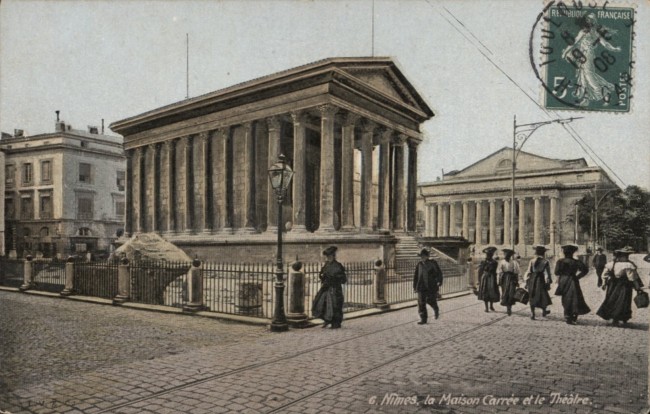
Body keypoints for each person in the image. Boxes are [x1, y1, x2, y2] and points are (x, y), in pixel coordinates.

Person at [597, 246, 644, 327]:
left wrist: (604, 284)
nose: (627, 257)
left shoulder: (611, 264)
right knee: (623, 300)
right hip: (624, 285)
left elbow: (604, 275)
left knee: (611, 299)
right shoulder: (627, 265)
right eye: (626, 256)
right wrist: (638, 288)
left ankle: (611, 317)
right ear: (623, 256)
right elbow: (632, 278)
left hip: (612, 285)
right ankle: (621, 318)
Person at [312, 246, 347, 329]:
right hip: (326, 288)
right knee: (321, 303)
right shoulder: (326, 264)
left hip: (335, 288)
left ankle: (335, 323)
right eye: (327, 256)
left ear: (333, 256)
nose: (328, 258)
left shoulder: (338, 265)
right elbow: (322, 273)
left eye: (330, 256)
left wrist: (334, 278)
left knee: (335, 306)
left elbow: (343, 279)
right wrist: (322, 276)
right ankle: (326, 320)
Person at [554, 244, 590, 325]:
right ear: (572, 253)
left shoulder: (560, 261)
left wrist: (563, 274)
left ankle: (567, 316)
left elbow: (556, 272)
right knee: (575, 297)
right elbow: (585, 270)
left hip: (563, 281)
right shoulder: (577, 262)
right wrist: (578, 277)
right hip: (573, 280)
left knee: (565, 298)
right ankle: (574, 315)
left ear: (564, 253)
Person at [413, 248, 443, 324]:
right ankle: (423, 319)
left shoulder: (433, 263)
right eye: (421, 256)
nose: (422, 258)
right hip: (421, 286)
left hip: (430, 286)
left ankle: (435, 309)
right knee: (421, 303)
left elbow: (439, 273)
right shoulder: (419, 264)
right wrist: (414, 286)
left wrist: (439, 281)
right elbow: (416, 276)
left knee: (430, 300)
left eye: (423, 256)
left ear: (427, 256)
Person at [525, 245, 553, 320]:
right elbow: (547, 273)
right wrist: (549, 281)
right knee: (542, 295)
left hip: (532, 279)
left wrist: (526, 281)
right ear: (543, 253)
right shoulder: (545, 262)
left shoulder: (532, 261)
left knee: (532, 295)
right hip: (540, 280)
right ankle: (544, 311)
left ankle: (532, 313)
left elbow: (529, 271)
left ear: (536, 253)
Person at [498, 248, 520, 316]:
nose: (506, 256)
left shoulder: (514, 262)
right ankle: (507, 306)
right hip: (504, 278)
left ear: (510, 256)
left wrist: (517, 281)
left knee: (511, 292)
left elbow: (516, 272)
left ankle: (509, 308)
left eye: (508, 255)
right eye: (505, 255)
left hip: (511, 278)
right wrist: (499, 280)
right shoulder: (501, 262)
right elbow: (499, 271)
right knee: (505, 292)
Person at [477, 246, 500, 312]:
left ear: (492, 255)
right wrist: (479, 280)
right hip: (485, 278)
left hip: (492, 278)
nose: (488, 256)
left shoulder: (495, 262)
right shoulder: (483, 262)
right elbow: (480, 271)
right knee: (485, 292)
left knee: (492, 292)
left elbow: (495, 271)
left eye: (489, 255)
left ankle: (491, 306)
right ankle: (486, 307)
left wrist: (496, 280)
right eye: (487, 254)